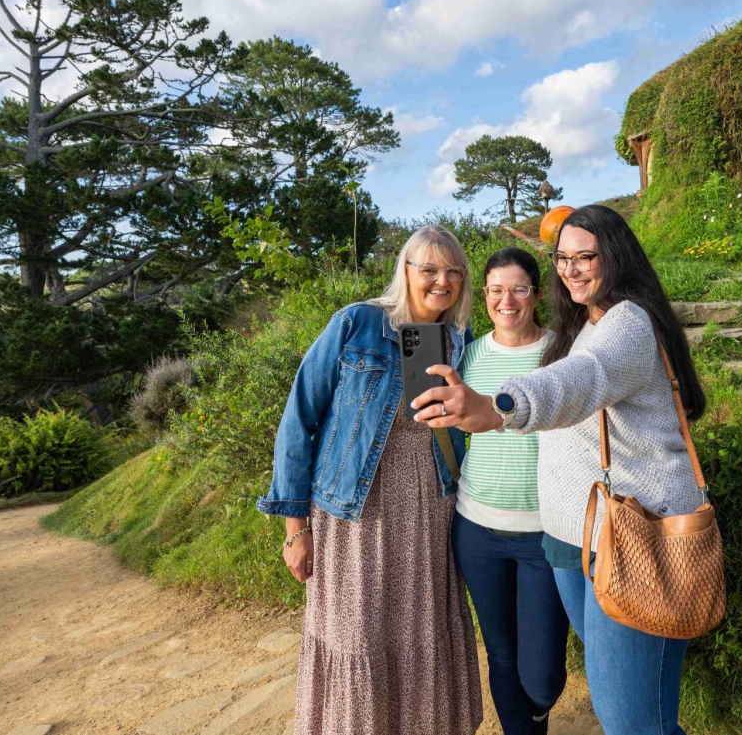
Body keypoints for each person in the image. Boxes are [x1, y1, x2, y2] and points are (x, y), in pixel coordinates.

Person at [411, 204, 707, 735]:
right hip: (576, 536)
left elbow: (582, 378)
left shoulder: (627, 322)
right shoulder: (586, 324)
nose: (571, 270)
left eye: (585, 257)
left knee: (629, 721)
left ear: (614, 256)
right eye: (563, 259)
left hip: (629, 536)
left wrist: (497, 407)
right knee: (635, 710)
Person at [257, 224, 484, 735]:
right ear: (406, 271)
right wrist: (295, 529)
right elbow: (299, 419)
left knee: (421, 633)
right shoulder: (357, 324)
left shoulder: (459, 340)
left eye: (453, 271)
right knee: (355, 634)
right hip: (354, 510)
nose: (442, 280)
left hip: (430, 509)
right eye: (429, 269)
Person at [452, 246, 569, 735]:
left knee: (541, 676)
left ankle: (538, 710)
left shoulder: (563, 352)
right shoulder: (468, 355)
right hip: (478, 530)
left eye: (519, 289)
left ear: (537, 294)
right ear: (483, 295)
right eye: (496, 290)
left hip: (546, 533)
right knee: (500, 656)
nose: (507, 300)